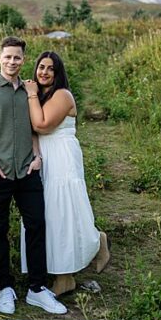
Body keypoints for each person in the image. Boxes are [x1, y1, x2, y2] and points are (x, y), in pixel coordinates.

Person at [0, 36, 67, 315]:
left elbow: (33, 128)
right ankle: (4, 288)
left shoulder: (30, 91)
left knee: (36, 225)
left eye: (17, 57)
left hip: (26, 170)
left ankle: (37, 288)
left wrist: (37, 156)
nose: (12, 61)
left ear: (23, 60)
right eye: (8, 56)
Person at [20, 51, 110, 295]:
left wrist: (30, 94)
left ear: (58, 73)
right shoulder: (41, 95)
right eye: (41, 67)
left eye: (51, 68)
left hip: (61, 156)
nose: (44, 72)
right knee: (46, 214)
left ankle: (67, 274)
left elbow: (41, 125)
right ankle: (60, 270)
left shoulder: (62, 94)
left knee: (61, 213)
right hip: (43, 156)